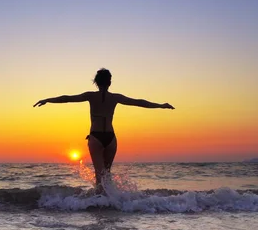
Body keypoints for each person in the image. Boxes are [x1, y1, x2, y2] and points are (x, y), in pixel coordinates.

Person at [34, 68, 174, 193]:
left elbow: (68, 98)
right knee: (106, 173)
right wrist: (161, 105)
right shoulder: (115, 98)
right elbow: (139, 102)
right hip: (111, 138)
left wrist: (48, 100)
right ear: (110, 82)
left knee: (100, 174)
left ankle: (101, 204)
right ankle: (110, 203)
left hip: (96, 137)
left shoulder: (91, 96)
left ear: (96, 82)